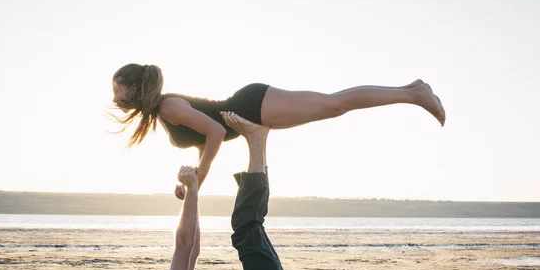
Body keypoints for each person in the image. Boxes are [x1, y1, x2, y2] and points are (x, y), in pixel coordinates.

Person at [111, 63, 446, 197]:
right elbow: (206, 141)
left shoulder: (168, 107)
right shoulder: (165, 111)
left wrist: (199, 174)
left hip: (251, 104)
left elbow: (214, 131)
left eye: (118, 90)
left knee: (334, 104)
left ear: (135, 88)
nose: (116, 98)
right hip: (251, 110)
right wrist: (196, 183)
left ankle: (415, 94)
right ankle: (411, 90)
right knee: (335, 105)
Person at [95, 112, 298, 270]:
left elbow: (193, 251)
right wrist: (192, 187)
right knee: (245, 227)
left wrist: (192, 199)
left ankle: (259, 139)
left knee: (250, 225)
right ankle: (256, 139)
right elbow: (183, 246)